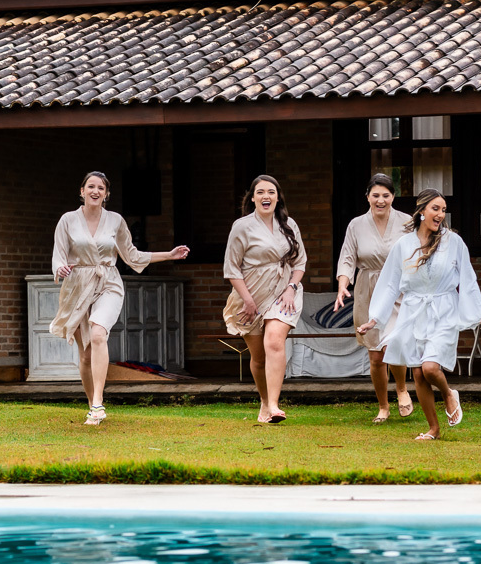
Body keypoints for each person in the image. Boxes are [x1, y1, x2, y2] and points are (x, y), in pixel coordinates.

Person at [50, 171, 190, 426]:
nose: (95, 191)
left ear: (106, 194)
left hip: (108, 283)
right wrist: (60, 267)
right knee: (85, 355)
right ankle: (91, 402)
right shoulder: (67, 220)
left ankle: (98, 403)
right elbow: (58, 255)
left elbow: (132, 256)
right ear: (81, 191)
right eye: (90, 187)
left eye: (100, 188)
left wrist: (168, 255)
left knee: (98, 333)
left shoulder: (115, 221)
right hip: (78, 286)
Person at [357, 189, 481, 441]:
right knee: (418, 372)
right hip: (413, 312)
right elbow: (389, 284)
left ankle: (449, 394)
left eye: (443, 210)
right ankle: (434, 429)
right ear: (421, 211)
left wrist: (480, 315)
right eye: (435, 209)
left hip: (444, 310)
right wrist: (375, 318)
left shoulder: (453, 242)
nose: (441, 214)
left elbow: (468, 279)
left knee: (430, 368)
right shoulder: (404, 244)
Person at [222, 174, 307, 424]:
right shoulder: (242, 226)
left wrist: (292, 286)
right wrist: (248, 301)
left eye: (271, 192)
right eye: (260, 192)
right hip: (250, 294)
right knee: (258, 358)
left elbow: (299, 262)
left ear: (278, 197)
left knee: (274, 342)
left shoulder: (289, 224)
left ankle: (274, 405)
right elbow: (232, 269)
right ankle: (264, 400)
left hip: (284, 292)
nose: (266, 196)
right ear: (252, 198)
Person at [334, 174, 415, 423]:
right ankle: (383, 406)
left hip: (397, 289)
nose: (381, 200)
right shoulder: (356, 225)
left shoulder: (407, 222)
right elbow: (347, 258)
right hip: (367, 289)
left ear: (393, 197)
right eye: (375, 195)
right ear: (367, 196)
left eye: (386, 195)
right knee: (376, 354)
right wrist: (342, 286)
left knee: (394, 344)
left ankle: (401, 389)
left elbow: (417, 253)